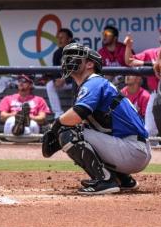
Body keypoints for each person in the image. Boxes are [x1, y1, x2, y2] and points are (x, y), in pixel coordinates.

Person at [42, 42, 151, 194]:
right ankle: (122, 179)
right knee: (80, 128)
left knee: (68, 131)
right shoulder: (95, 84)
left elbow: (77, 114)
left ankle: (105, 181)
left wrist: (56, 126)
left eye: (77, 57)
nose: (69, 60)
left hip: (131, 149)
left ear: (90, 64)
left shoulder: (94, 82)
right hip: (133, 148)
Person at [124, 32, 160, 138]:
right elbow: (129, 61)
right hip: (155, 94)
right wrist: (128, 47)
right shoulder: (152, 53)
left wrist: (151, 64)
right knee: (149, 131)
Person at [0, 75, 50, 139]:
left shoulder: (39, 100)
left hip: (31, 130)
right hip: (11, 132)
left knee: (30, 124)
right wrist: (15, 114)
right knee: (11, 120)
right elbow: (2, 116)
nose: (21, 83)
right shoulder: (8, 98)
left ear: (31, 85)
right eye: (19, 81)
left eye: (24, 81)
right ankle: (18, 126)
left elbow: (42, 118)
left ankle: (19, 127)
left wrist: (28, 117)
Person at [45, 28, 74, 118]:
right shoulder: (57, 53)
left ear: (69, 39)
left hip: (76, 82)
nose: (59, 40)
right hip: (64, 82)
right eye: (59, 38)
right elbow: (55, 71)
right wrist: (56, 80)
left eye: (62, 38)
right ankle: (58, 113)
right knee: (50, 85)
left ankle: (79, 114)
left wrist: (65, 80)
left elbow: (79, 71)